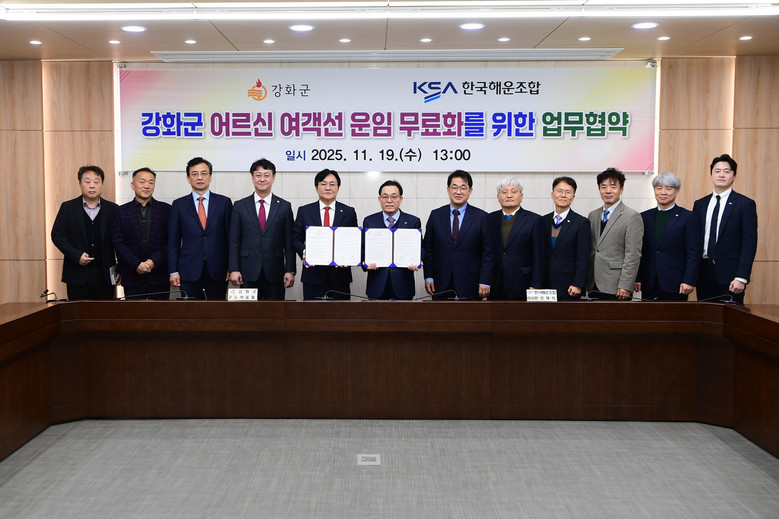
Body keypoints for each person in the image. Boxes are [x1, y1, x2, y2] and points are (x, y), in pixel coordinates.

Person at [692, 154, 757, 304]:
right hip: (703, 273)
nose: (721, 175)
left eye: (727, 171)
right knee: (705, 316)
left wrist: (741, 277)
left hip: (731, 276)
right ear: (711, 175)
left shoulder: (745, 204)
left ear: (734, 176)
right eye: (717, 171)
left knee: (730, 316)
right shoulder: (700, 204)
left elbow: (749, 243)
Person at [228, 159, 296, 300]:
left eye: (267, 175)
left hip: (275, 272)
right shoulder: (240, 206)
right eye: (258, 175)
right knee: (247, 311)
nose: (262, 179)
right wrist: (234, 269)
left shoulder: (284, 207)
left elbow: (289, 242)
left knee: (275, 311)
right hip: (247, 272)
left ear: (273, 178)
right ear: (252, 178)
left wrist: (290, 270)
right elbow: (234, 241)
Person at [168, 157, 232, 300]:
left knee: (218, 309)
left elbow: (231, 238)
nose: (200, 177)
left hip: (218, 269)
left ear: (210, 177)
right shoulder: (179, 205)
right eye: (195, 174)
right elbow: (173, 242)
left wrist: (232, 267)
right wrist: (173, 271)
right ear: (188, 178)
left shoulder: (224, 202)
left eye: (204, 173)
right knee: (191, 311)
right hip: (188, 269)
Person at [423, 170, 493, 300]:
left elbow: (488, 252)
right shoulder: (436, 215)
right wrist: (429, 276)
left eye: (463, 188)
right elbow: (428, 249)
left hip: (471, 282)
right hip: (440, 282)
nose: (458, 192)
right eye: (454, 187)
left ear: (470, 191)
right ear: (448, 190)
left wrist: (485, 281)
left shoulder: (482, 217)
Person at [51, 165, 118, 300]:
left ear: (102, 184)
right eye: (87, 181)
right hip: (76, 274)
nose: (92, 185)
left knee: (105, 312)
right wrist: (76, 255)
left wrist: (120, 268)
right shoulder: (68, 208)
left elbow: (120, 240)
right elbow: (57, 235)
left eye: (96, 181)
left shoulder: (113, 209)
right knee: (77, 312)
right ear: (80, 184)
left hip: (105, 275)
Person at [292, 168, 358, 300]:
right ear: (317, 188)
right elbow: (295, 238)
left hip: (340, 277)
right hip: (313, 276)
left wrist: (348, 257)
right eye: (323, 184)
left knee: (342, 312)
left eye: (332, 184)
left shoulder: (348, 212)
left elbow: (354, 241)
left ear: (338, 188)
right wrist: (305, 252)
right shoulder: (305, 211)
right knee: (312, 312)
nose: (328, 188)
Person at [635, 172, 701, 301]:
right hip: (649, 282)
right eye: (659, 188)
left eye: (668, 188)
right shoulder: (644, 217)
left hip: (676, 282)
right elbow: (639, 251)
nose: (663, 192)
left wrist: (689, 280)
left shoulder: (688, 217)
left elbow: (693, 252)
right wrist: (638, 278)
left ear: (677, 191)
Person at [112, 167, 172, 300]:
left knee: (160, 312)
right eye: (142, 181)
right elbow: (118, 242)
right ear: (132, 185)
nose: (147, 186)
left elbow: (171, 241)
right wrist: (136, 264)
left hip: (159, 275)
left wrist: (153, 261)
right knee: (134, 313)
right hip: (132, 275)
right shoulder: (120, 212)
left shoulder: (167, 210)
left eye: (151, 182)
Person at [587, 167, 643, 300]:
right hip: (593, 282)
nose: (608, 191)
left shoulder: (632, 216)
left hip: (617, 285)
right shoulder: (593, 215)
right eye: (603, 187)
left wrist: (625, 285)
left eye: (613, 187)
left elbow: (633, 255)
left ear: (621, 190)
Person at [486, 177, 545, 300]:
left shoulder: (534, 220)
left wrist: (536, 284)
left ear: (521, 196)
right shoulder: (489, 219)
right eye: (504, 192)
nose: (509, 195)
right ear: (498, 197)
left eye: (514, 191)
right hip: (495, 283)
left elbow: (539, 256)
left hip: (523, 283)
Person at [362, 180, 422, 300]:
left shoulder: (413, 222)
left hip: (403, 285)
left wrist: (418, 260)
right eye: (385, 197)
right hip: (377, 285)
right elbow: (363, 248)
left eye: (394, 196)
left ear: (401, 199)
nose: (389, 200)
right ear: (379, 199)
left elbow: (421, 247)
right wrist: (365, 262)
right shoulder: (369, 221)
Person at [542, 176, 591, 300]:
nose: (563, 195)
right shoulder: (542, 221)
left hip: (569, 286)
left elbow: (583, 257)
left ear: (573, 197)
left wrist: (578, 284)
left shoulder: (581, 223)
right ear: (552, 194)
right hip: (544, 284)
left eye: (568, 192)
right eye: (559, 191)